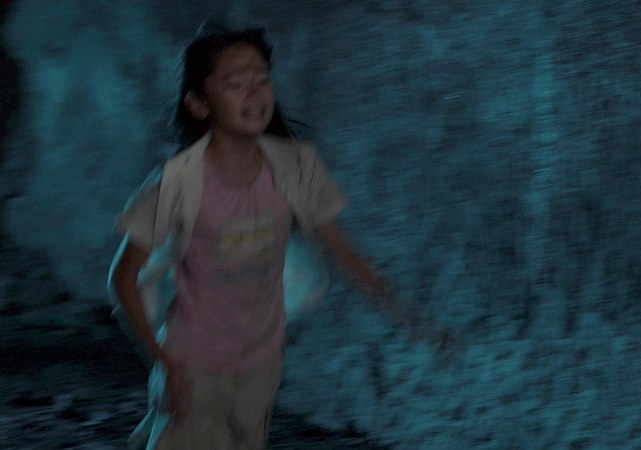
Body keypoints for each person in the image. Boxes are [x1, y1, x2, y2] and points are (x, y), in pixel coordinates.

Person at [108, 25, 441, 450]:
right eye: (236, 83)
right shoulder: (176, 183)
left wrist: (413, 320)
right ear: (198, 103)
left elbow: (344, 253)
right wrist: (166, 365)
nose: (254, 92)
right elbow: (122, 279)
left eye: (262, 78)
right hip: (194, 364)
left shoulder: (295, 168)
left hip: (260, 367)